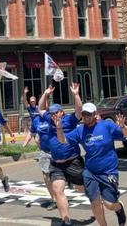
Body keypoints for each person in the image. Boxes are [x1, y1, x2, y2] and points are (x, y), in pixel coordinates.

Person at [55, 103, 127, 226]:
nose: (86, 117)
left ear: (95, 115)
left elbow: (126, 134)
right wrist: (59, 128)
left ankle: (118, 207)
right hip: (90, 172)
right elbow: (63, 140)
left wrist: (122, 126)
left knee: (109, 204)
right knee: (95, 203)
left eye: (89, 114)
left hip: (108, 171)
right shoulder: (80, 130)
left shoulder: (107, 126)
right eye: (84, 114)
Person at [39, 83, 83, 226]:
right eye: (51, 113)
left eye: (54, 113)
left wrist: (76, 95)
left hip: (73, 162)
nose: (52, 116)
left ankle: (95, 194)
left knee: (83, 188)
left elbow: (79, 110)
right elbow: (40, 108)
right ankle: (66, 220)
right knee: (58, 190)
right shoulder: (48, 120)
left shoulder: (68, 120)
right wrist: (46, 94)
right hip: (57, 163)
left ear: (61, 112)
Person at [21, 91, 57, 210]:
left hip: (57, 151)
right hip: (45, 151)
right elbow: (31, 132)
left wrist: (46, 95)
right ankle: (54, 199)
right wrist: (24, 143)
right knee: (46, 175)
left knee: (60, 176)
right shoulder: (36, 120)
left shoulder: (52, 118)